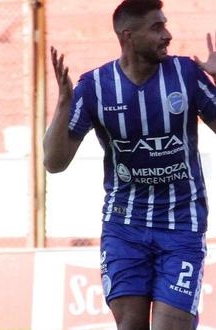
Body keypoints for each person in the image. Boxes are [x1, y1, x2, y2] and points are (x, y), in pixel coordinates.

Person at [43, 0, 216, 329]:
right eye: (156, 27)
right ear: (128, 36)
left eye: (165, 25)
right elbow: (54, 162)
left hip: (182, 224)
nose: (167, 35)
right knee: (131, 325)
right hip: (125, 225)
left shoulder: (187, 74)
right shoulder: (94, 87)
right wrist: (64, 104)